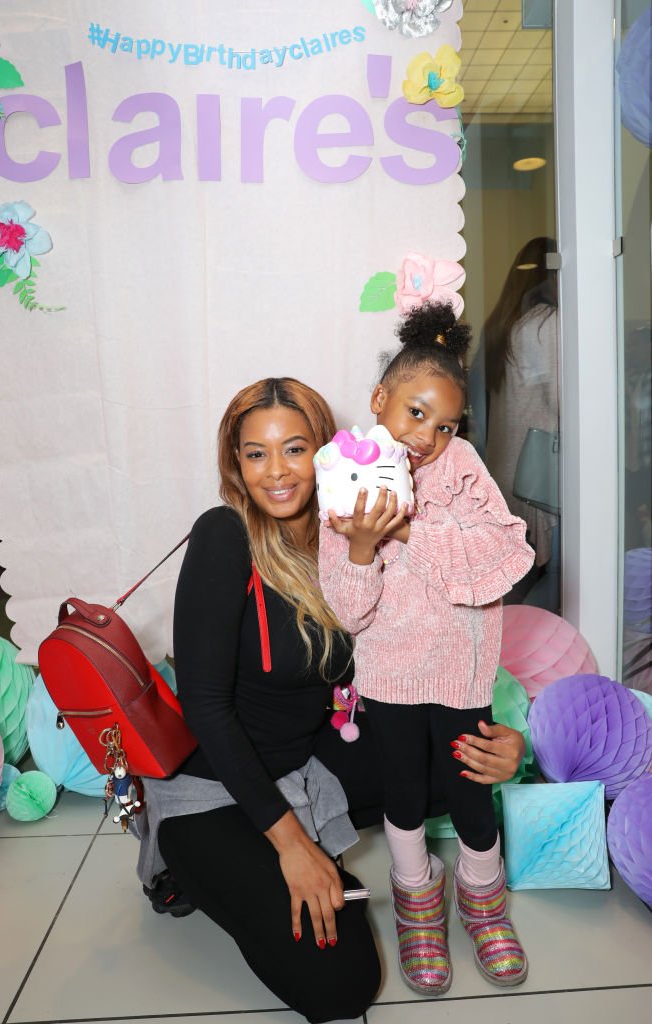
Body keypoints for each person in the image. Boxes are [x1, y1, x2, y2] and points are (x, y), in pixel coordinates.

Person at [136, 376, 529, 1024]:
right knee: (343, 986)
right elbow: (206, 708)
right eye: (254, 454)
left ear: (327, 449)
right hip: (220, 789)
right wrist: (291, 843)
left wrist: (500, 742)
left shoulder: (347, 529)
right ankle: (192, 867)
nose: (276, 473)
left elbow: (417, 653)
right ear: (233, 464)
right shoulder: (224, 535)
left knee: (452, 766)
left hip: (308, 762)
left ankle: (457, 893)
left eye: (293, 448)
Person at [318, 303, 535, 998]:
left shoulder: (462, 466)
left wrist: (409, 532)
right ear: (379, 400)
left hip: (461, 671)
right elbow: (349, 609)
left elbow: (504, 551)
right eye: (414, 414)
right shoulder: (343, 475)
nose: (427, 437)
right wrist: (359, 545)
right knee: (404, 793)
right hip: (387, 673)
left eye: (444, 425)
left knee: (471, 790)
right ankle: (416, 901)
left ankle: (481, 896)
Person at [483, 237, 560, 610]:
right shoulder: (547, 324)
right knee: (556, 581)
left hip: (504, 468)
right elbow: (561, 402)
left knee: (515, 580)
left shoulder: (504, 324)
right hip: (536, 472)